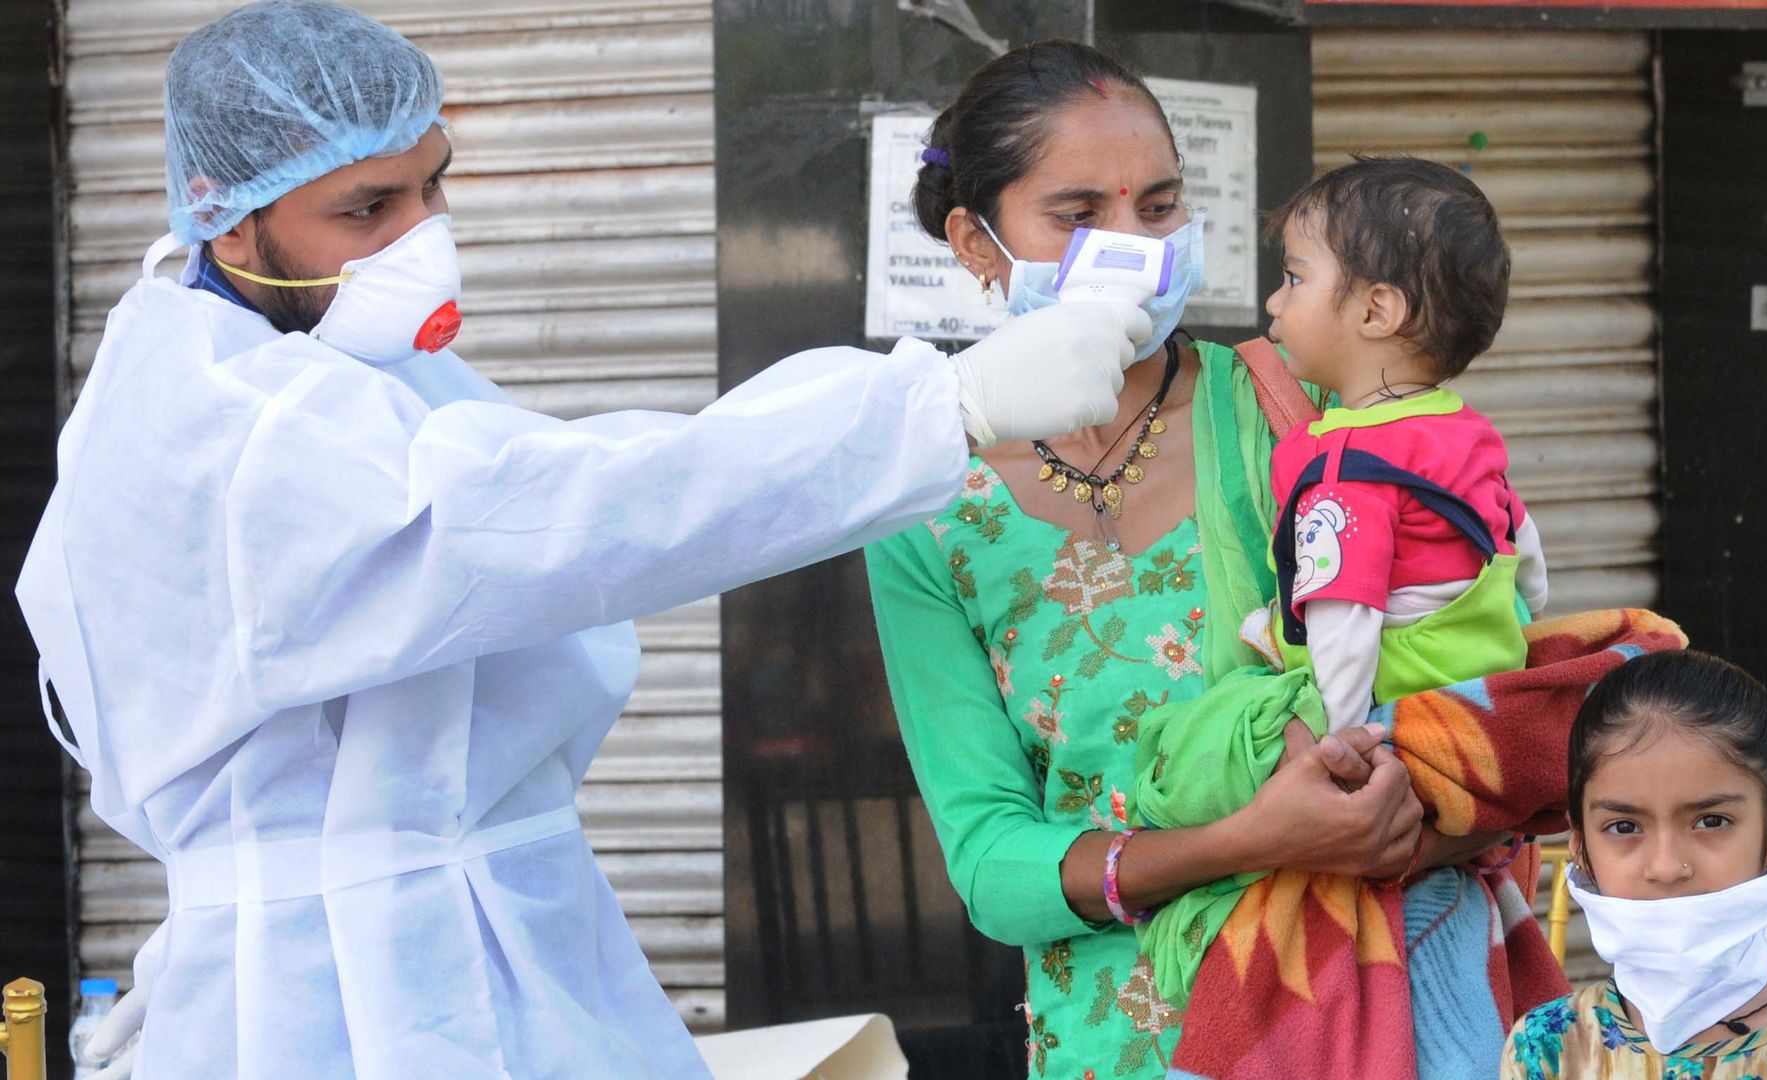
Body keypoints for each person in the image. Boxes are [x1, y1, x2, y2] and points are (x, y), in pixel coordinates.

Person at [14, 3, 1156, 1078]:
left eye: (434, 187)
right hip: (325, 998)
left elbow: (582, 490)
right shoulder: (224, 425)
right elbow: (562, 519)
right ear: (225, 211)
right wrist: (937, 410)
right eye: (368, 209)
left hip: (485, 941)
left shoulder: (350, 373)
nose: (424, 237)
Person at [865, 42, 1501, 1079]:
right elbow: (991, 862)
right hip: (1110, 1039)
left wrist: (1398, 816)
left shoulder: (1296, 413)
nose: (1134, 244)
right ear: (976, 245)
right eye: (1079, 216)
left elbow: (1469, 677)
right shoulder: (925, 503)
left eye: (1158, 207)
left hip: (1354, 1016)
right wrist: (1250, 839)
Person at [1245, 156, 1549, 734]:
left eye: (1294, 279)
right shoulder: (1461, 425)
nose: (1274, 303)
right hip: (1480, 682)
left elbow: (1344, 615)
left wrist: (1340, 738)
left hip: (1402, 710)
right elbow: (1519, 542)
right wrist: (1531, 616)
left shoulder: (1341, 465)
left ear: (1376, 310)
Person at [1501, 650, 1767, 1078]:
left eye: (1711, 821)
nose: (1666, 866)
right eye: (1624, 827)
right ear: (1581, 846)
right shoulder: (1547, 1047)